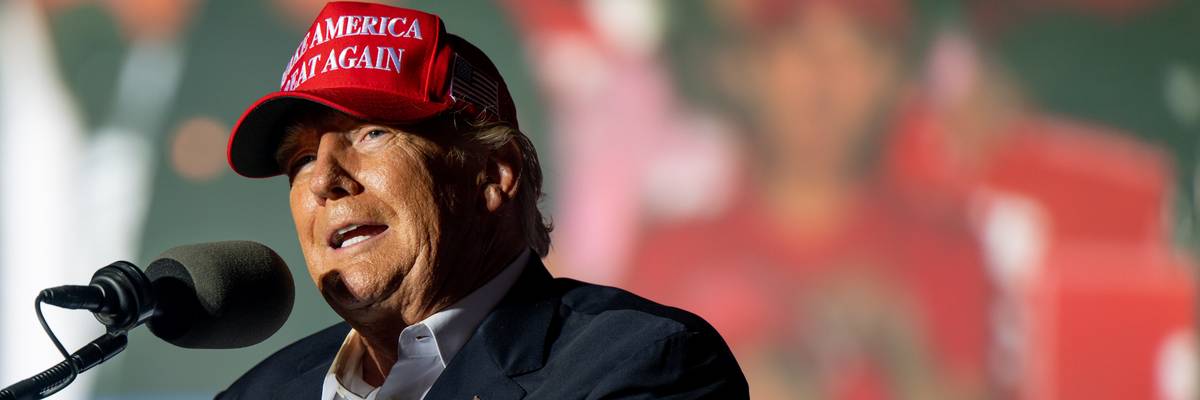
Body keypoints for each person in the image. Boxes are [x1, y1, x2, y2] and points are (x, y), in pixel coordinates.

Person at [216, 3, 747, 399]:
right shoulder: (254, 395)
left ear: (494, 174)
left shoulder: (643, 365)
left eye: (372, 134)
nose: (323, 180)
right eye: (301, 159)